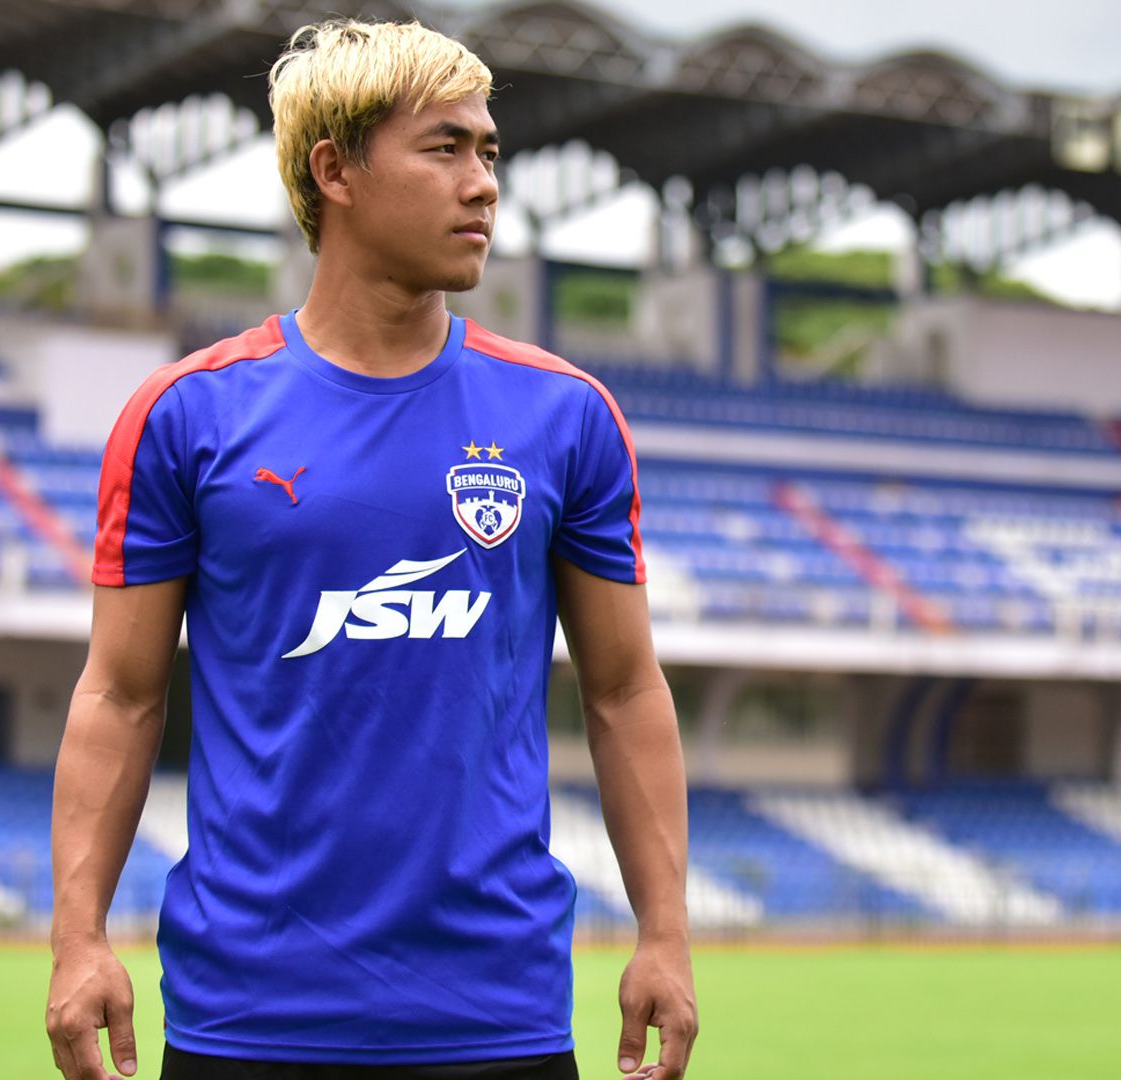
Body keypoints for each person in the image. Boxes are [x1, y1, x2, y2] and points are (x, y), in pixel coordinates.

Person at [45, 18, 697, 1080]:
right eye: (445, 148)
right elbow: (118, 698)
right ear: (333, 169)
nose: (484, 183)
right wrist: (78, 939)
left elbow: (626, 693)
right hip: (248, 1016)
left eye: (490, 151)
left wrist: (664, 935)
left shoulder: (565, 416)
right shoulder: (186, 415)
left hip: (498, 1015)